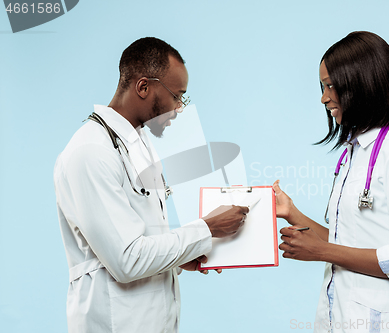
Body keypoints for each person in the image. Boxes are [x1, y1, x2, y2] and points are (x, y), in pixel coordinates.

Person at [54, 37, 249, 333]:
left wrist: (182, 256)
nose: (180, 107)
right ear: (143, 87)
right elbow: (127, 260)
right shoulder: (91, 152)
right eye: (176, 95)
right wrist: (207, 229)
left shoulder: (138, 143)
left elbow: (140, 237)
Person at [274, 31, 389, 333]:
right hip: (340, 316)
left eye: (330, 86)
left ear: (362, 82)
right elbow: (347, 241)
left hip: (383, 321)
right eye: (322, 87)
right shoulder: (354, 155)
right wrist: (291, 212)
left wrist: (320, 252)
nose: (323, 98)